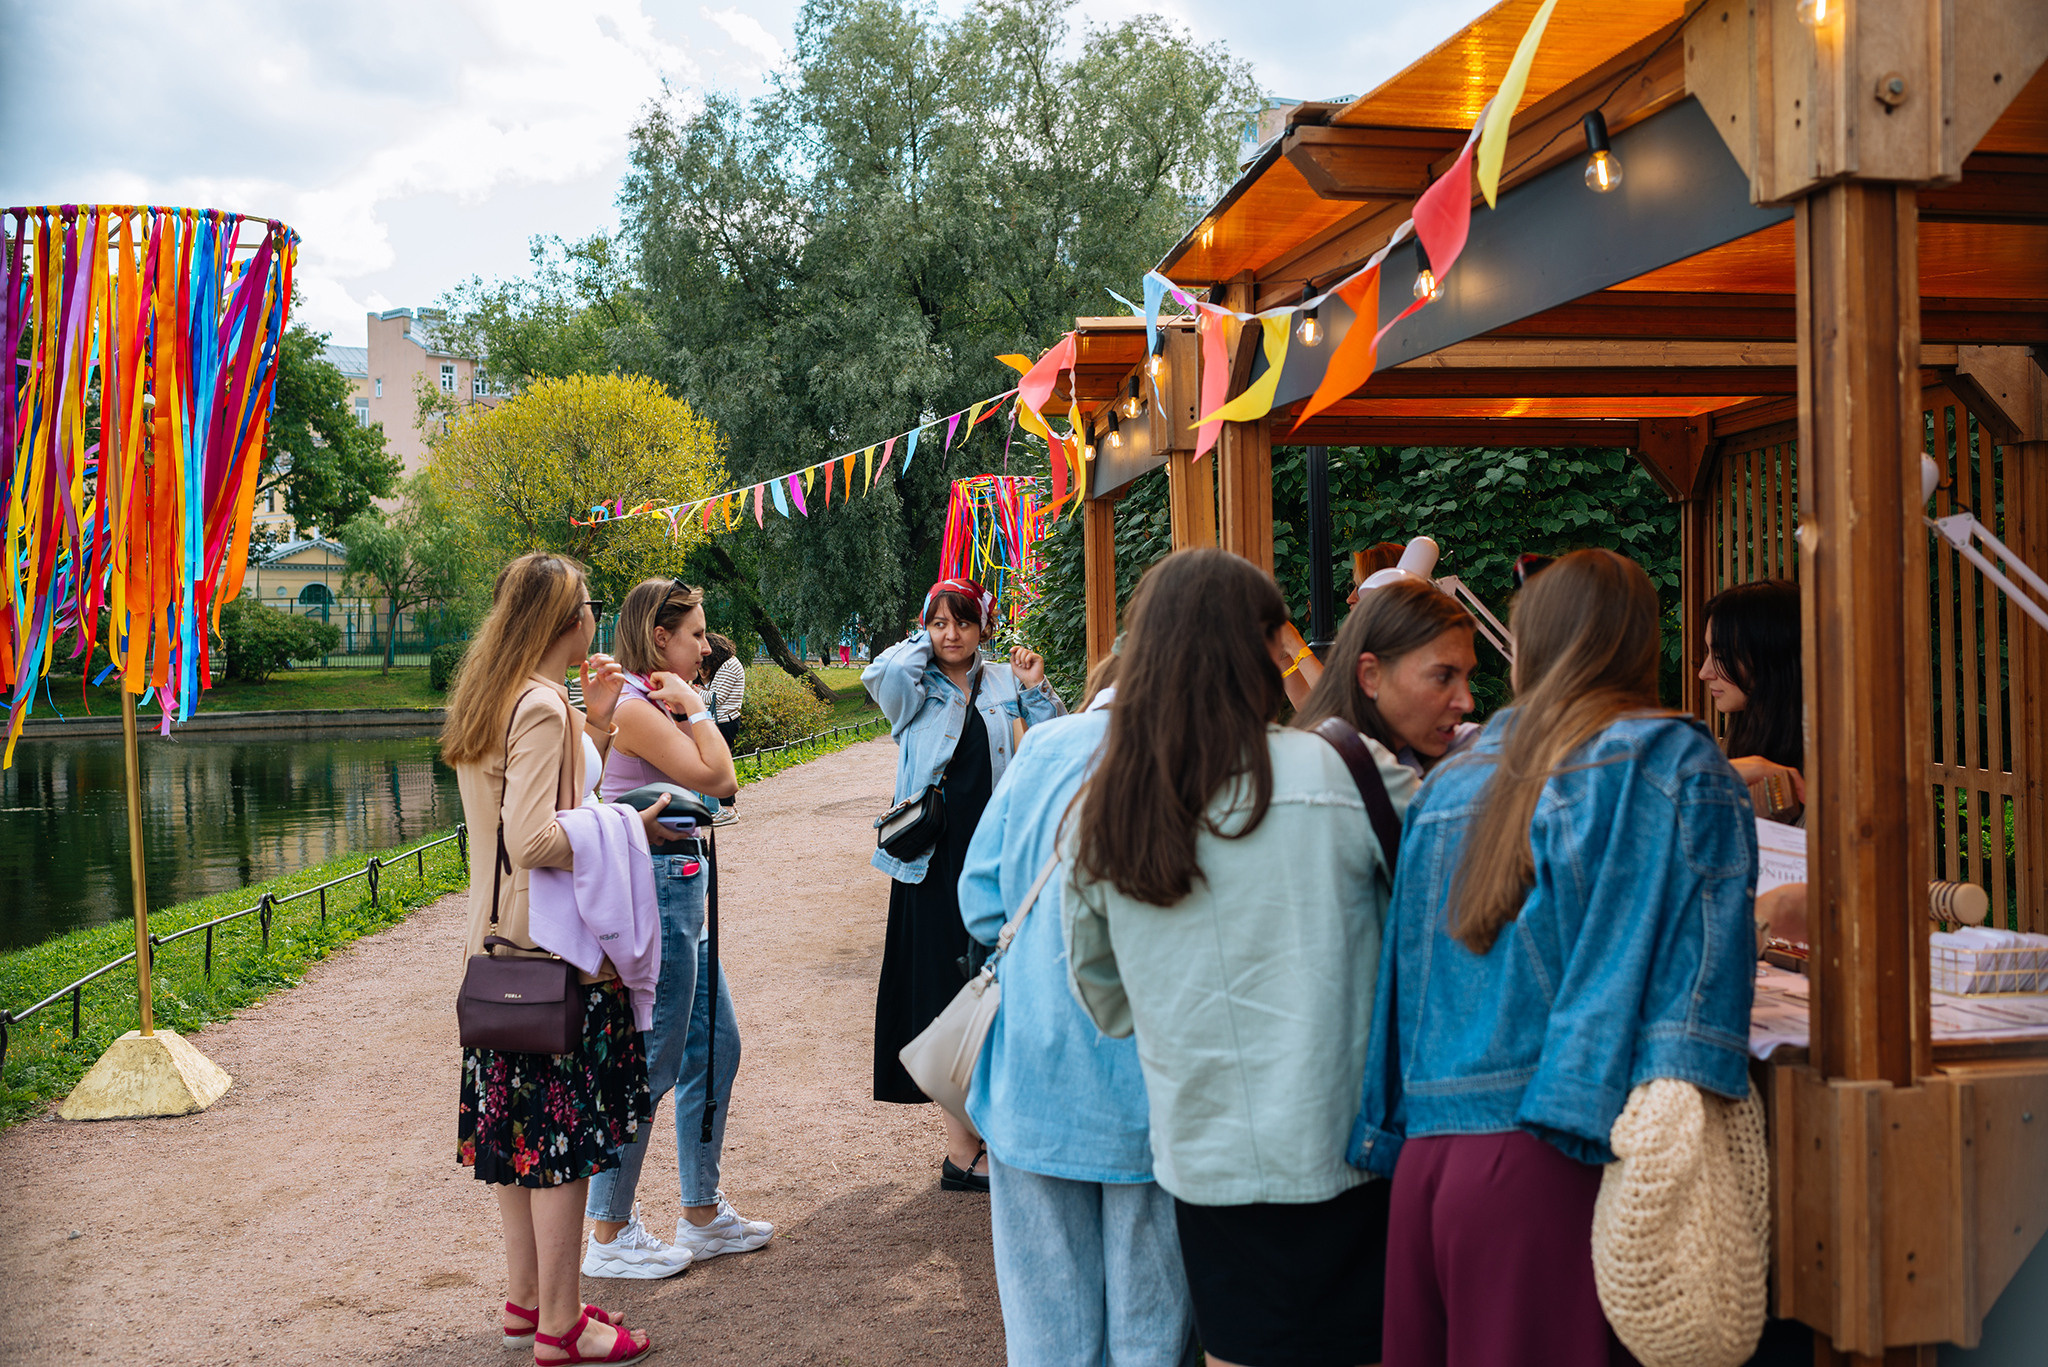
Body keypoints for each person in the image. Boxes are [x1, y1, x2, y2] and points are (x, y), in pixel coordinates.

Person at [1355, 549, 1758, 1367]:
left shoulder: (1449, 779)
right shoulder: (1672, 762)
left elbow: (1399, 987)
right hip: (1552, 1162)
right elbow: (1696, 1004)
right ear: (1644, 639)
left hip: (1426, 1168)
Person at [1064, 547, 1417, 1367]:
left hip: (1205, 1145)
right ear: (1261, 646)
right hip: (1351, 1139)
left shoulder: (1108, 807)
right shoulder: (1346, 771)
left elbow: (1106, 1001)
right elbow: (1445, 902)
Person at [442, 551, 670, 1364]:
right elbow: (534, 836)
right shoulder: (539, 706)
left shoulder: (497, 697)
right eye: (586, 604)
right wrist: (629, 830)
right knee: (560, 1144)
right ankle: (563, 1324)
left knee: (518, 1140)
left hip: (496, 954)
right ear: (559, 619)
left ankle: (527, 1300)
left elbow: (524, 812)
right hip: (552, 960)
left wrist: (598, 722)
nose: (593, 617)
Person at [959, 655, 1191, 1366]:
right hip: (1150, 1084)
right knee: (1150, 1319)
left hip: (1035, 1071)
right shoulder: (1197, 757)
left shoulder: (1043, 750)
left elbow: (980, 899)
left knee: (1046, 1322)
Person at [582, 579, 775, 1277]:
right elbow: (720, 779)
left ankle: (700, 1211)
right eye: (695, 633)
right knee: (654, 1058)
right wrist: (699, 705)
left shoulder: (646, 699)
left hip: (683, 887)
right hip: (657, 891)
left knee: (715, 1045)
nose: (705, 645)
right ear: (659, 637)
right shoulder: (635, 706)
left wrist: (692, 706)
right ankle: (608, 1231)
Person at [863, 578, 1065, 1189]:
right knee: (940, 995)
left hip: (992, 857)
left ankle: (982, 1133)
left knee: (988, 988)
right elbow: (881, 673)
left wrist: (1035, 685)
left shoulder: (1003, 680)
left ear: (985, 625)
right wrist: (921, 635)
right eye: (938, 623)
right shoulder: (913, 683)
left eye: (964, 622)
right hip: (930, 861)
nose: (951, 635)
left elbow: (1056, 737)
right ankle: (961, 1150)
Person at [1295, 576, 1479, 777]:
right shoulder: (1326, 782)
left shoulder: (1461, 748)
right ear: (1370, 675)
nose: (1467, 703)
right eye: (1442, 677)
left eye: (1466, 676)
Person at [1699, 579, 1804, 815]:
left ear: (1771, 658)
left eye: (1722, 655)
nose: (1704, 673)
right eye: (1708, 652)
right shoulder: (1741, 743)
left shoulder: (1826, 762)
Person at [702, 632, 746, 826]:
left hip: (725, 721)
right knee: (721, 762)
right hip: (724, 720)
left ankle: (727, 810)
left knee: (719, 765)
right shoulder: (726, 666)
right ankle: (729, 808)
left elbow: (715, 698)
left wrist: (693, 692)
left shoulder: (729, 666)